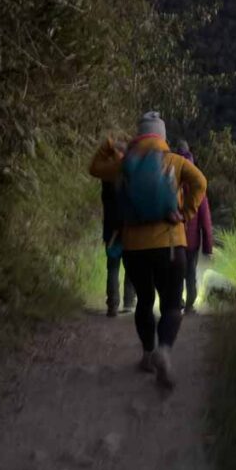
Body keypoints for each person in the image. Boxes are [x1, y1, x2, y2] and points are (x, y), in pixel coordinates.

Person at [89, 112, 207, 389]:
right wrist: (185, 212)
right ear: (162, 137)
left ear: (139, 136)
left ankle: (147, 354)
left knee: (143, 300)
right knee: (170, 304)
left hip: (134, 246)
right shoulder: (175, 161)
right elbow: (201, 183)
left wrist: (108, 144)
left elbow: (94, 169)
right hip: (170, 243)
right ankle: (164, 351)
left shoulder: (124, 165)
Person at [173, 140, 213, 313]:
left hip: (174, 236)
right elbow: (205, 218)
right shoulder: (197, 182)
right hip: (193, 240)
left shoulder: (172, 177)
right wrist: (208, 247)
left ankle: (177, 301)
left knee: (176, 272)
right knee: (190, 273)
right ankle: (190, 304)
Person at [100, 147, 136, 319]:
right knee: (130, 267)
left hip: (112, 230)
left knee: (113, 268)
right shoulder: (131, 177)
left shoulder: (107, 179)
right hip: (128, 229)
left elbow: (106, 204)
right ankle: (129, 302)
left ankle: (113, 305)